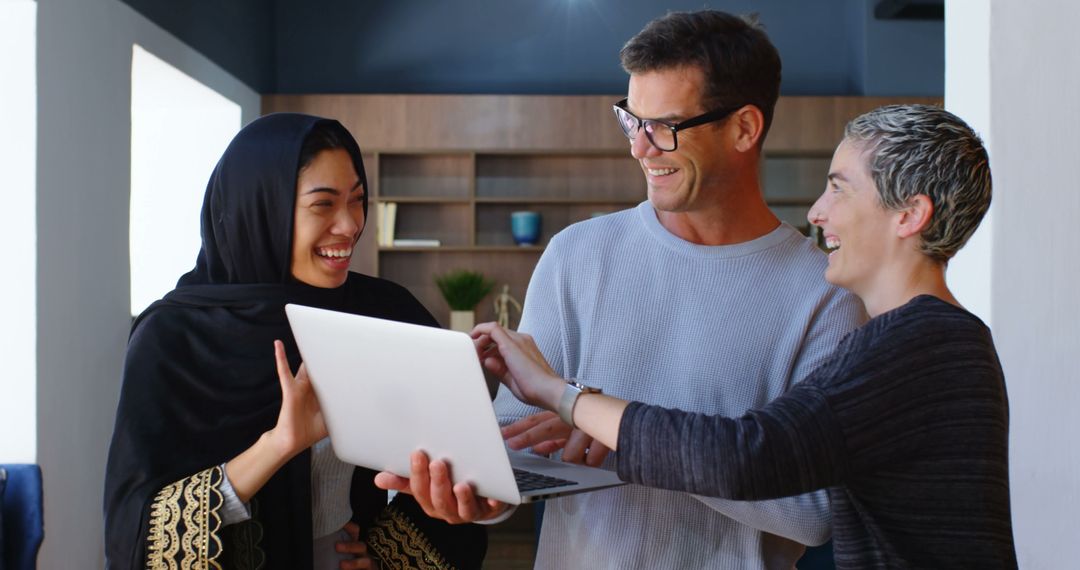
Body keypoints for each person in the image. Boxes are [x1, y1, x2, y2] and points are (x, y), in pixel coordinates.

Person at [377, 10, 866, 569]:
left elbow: (815, 509)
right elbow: (521, 433)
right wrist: (480, 496)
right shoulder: (576, 255)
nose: (640, 148)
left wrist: (621, 434)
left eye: (665, 126)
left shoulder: (824, 294)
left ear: (744, 128)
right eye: (631, 120)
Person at [473, 104, 1018, 568]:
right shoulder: (929, 340)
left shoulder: (922, 344)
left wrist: (561, 396)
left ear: (909, 216)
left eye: (838, 189)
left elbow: (745, 456)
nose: (816, 211)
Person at [103, 113, 486, 569]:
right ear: (262, 209)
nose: (349, 225)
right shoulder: (174, 339)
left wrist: (386, 557)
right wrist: (279, 444)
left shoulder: (386, 314)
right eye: (323, 204)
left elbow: (459, 468)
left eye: (357, 200)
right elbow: (137, 530)